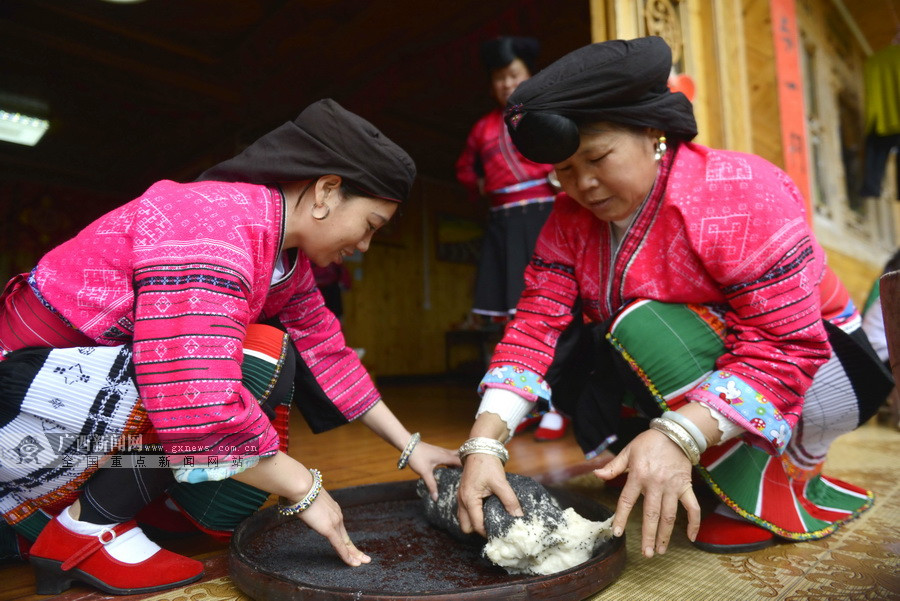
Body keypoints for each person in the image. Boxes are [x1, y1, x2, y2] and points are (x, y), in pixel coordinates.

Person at [455, 37, 893, 559]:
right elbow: (534, 328)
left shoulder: (740, 188)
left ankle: (784, 469)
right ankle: (700, 452)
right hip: (714, 367)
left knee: (641, 325)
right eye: (564, 172)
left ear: (652, 132)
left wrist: (679, 434)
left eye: (597, 157)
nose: (584, 185)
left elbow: (789, 344)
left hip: (823, 374)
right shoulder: (566, 223)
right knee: (595, 344)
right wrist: (484, 443)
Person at [0, 98, 460, 595]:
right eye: (370, 225)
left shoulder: (286, 259)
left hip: (73, 406)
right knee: (258, 355)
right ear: (326, 191)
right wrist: (305, 488)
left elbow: (328, 353)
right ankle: (87, 530)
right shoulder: (212, 221)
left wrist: (410, 446)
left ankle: (133, 504)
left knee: (272, 358)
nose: (365, 245)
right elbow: (192, 390)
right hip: (20, 402)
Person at [455, 35, 568, 441]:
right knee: (509, 316)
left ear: (530, 76)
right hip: (502, 224)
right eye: (499, 78)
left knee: (548, 310)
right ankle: (515, 405)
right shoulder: (482, 128)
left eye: (514, 75)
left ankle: (556, 407)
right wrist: (481, 188)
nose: (506, 84)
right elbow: (466, 171)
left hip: (542, 218)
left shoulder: (545, 113)